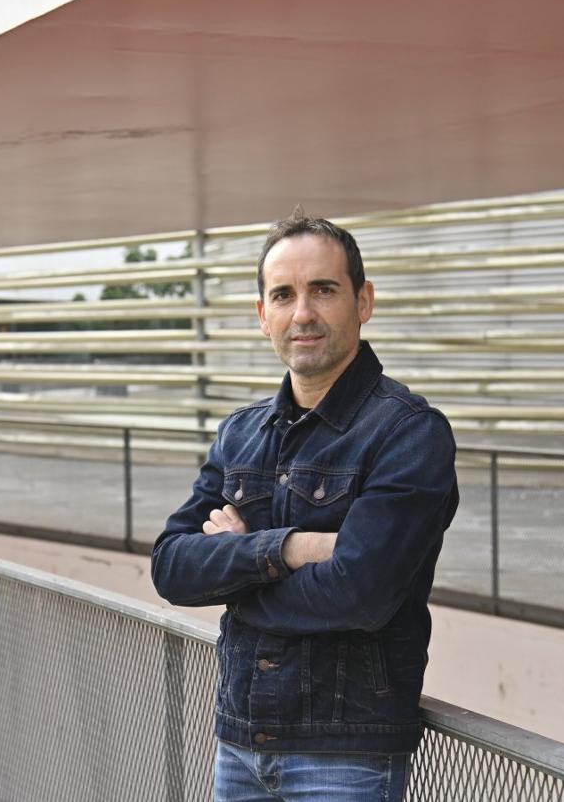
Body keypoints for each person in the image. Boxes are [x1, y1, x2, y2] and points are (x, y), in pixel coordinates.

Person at [151, 208, 458, 801]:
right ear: (262, 315)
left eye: (323, 290)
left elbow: (361, 595)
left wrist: (236, 572)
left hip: (343, 760)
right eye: (284, 295)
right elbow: (170, 567)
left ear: (363, 301)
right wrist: (292, 548)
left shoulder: (407, 433)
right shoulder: (240, 434)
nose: (304, 313)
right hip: (239, 744)